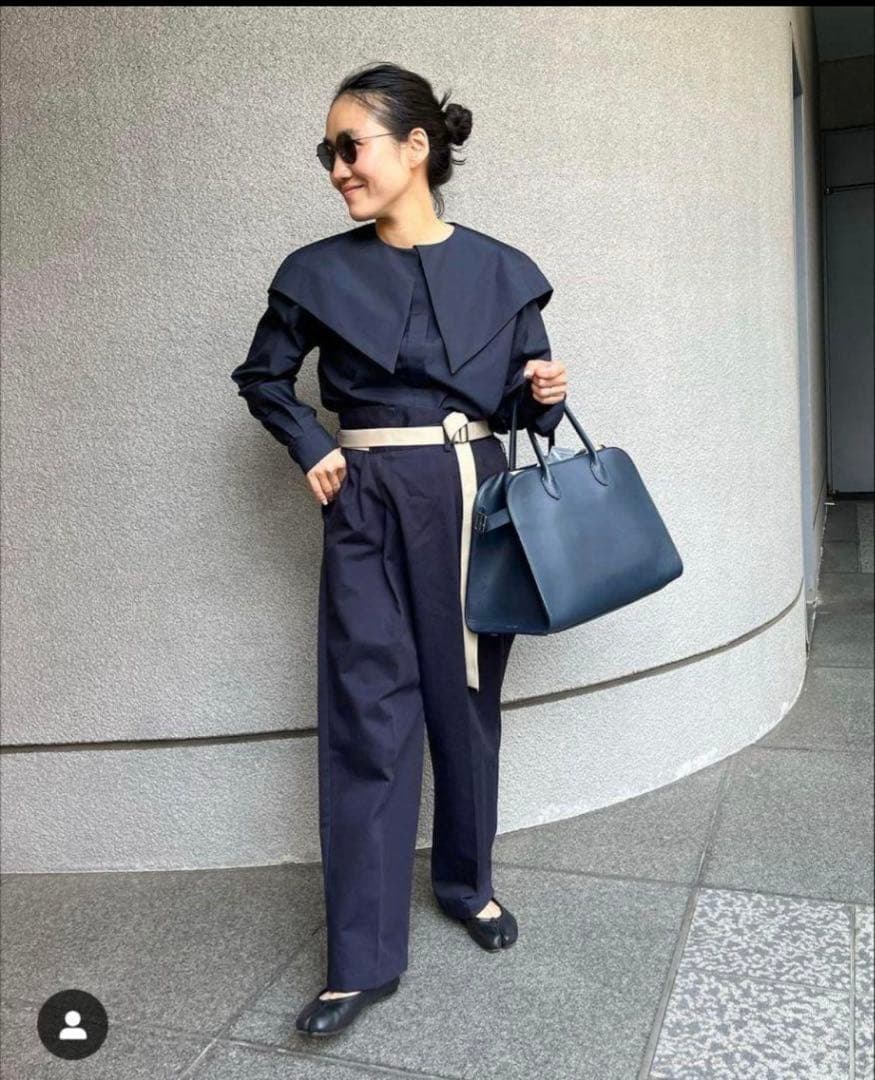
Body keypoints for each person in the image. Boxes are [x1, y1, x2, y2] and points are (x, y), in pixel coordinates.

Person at [230, 62, 569, 1037]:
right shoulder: (315, 273)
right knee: (367, 715)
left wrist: (540, 399)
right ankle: (361, 958)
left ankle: (466, 884)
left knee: (466, 704)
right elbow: (263, 378)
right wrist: (312, 445)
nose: (337, 167)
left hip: (475, 497)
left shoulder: (502, 272)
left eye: (352, 146)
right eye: (327, 152)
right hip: (370, 501)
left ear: (416, 147)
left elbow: (517, 409)